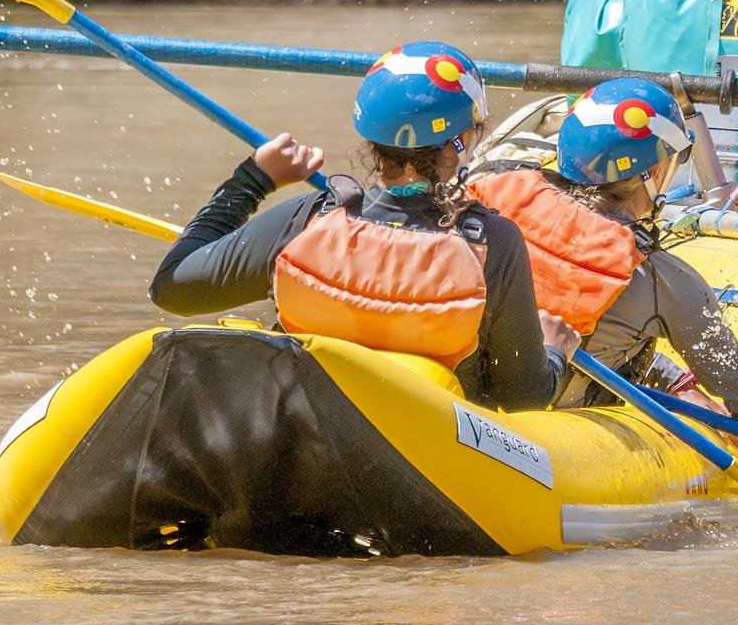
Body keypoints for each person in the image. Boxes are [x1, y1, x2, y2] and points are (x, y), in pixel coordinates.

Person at [150, 40, 577, 411]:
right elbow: (521, 398)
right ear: (461, 142)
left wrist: (253, 179)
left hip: (303, 424)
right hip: (428, 450)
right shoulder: (493, 243)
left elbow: (171, 289)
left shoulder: (306, 220)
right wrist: (554, 353)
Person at [468, 78, 738, 431]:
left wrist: (672, 379)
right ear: (655, 171)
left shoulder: (487, 209)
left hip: (463, 394)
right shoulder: (662, 279)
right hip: (546, 431)